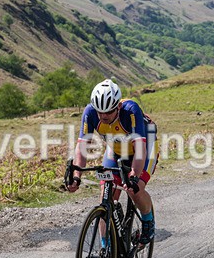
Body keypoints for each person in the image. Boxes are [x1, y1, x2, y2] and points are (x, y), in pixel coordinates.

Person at [67, 79, 159, 245]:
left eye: (108, 112)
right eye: (100, 112)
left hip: (144, 147)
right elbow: (82, 146)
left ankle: (148, 221)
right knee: (106, 196)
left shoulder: (131, 110)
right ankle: (106, 247)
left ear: (118, 106)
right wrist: (76, 176)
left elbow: (140, 150)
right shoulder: (89, 112)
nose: (103, 116)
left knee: (134, 190)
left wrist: (134, 176)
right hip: (116, 150)